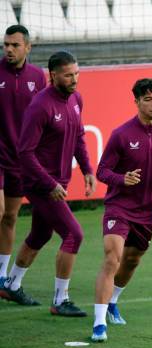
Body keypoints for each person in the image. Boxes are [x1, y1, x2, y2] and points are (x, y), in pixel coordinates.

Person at [91, 78, 152, 342]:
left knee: (132, 261)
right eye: (148, 99)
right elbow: (102, 171)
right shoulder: (121, 135)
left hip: (148, 212)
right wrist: (123, 179)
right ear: (136, 102)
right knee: (113, 259)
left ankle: (113, 301)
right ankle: (99, 324)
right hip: (119, 207)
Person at [0, 51, 95, 316]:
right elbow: (25, 153)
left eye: (76, 73)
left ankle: (11, 284)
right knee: (74, 234)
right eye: (68, 75)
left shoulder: (76, 99)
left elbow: (78, 136)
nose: (74, 79)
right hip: (39, 183)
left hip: (57, 182)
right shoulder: (40, 106)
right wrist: (49, 183)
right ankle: (60, 299)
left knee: (40, 234)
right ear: (53, 75)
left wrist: (87, 169)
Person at [0, 25, 46, 298]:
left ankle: (2, 279)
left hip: (21, 160)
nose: (8, 49)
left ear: (28, 47)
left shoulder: (37, 77)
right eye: (6, 44)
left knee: (10, 217)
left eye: (15, 45)